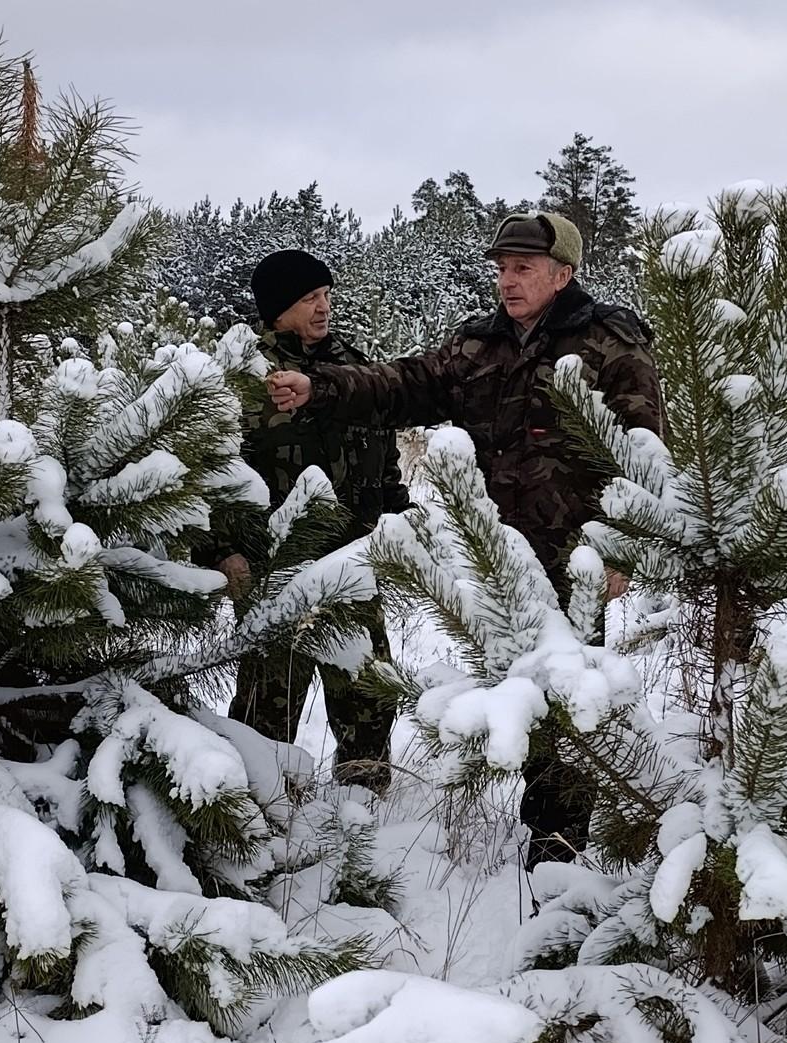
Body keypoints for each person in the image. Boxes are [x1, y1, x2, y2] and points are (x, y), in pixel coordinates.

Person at [265, 213, 663, 865]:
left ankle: (556, 849)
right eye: (501, 267)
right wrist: (320, 388)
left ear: (563, 273)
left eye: (523, 267)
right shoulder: (480, 346)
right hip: (492, 555)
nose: (507, 280)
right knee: (510, 698)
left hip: (574, 560)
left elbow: (642, 449)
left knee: (565, 703)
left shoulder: (608, 341)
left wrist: (623, 547)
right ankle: (501, 817)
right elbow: (400, 386)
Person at [220, 248, 407, 794]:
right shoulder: (246, 378)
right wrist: (226, 550)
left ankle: (364, 792)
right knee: (268, 695)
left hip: (355, 558)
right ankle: (261, 797)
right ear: (278, 310)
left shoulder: (353, 367)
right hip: (277, 568)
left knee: (368, 689)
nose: (324, 308)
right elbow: (218, 477)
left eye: (326, 296)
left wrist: (397, 517)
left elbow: (385, 456)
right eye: (309, 300)